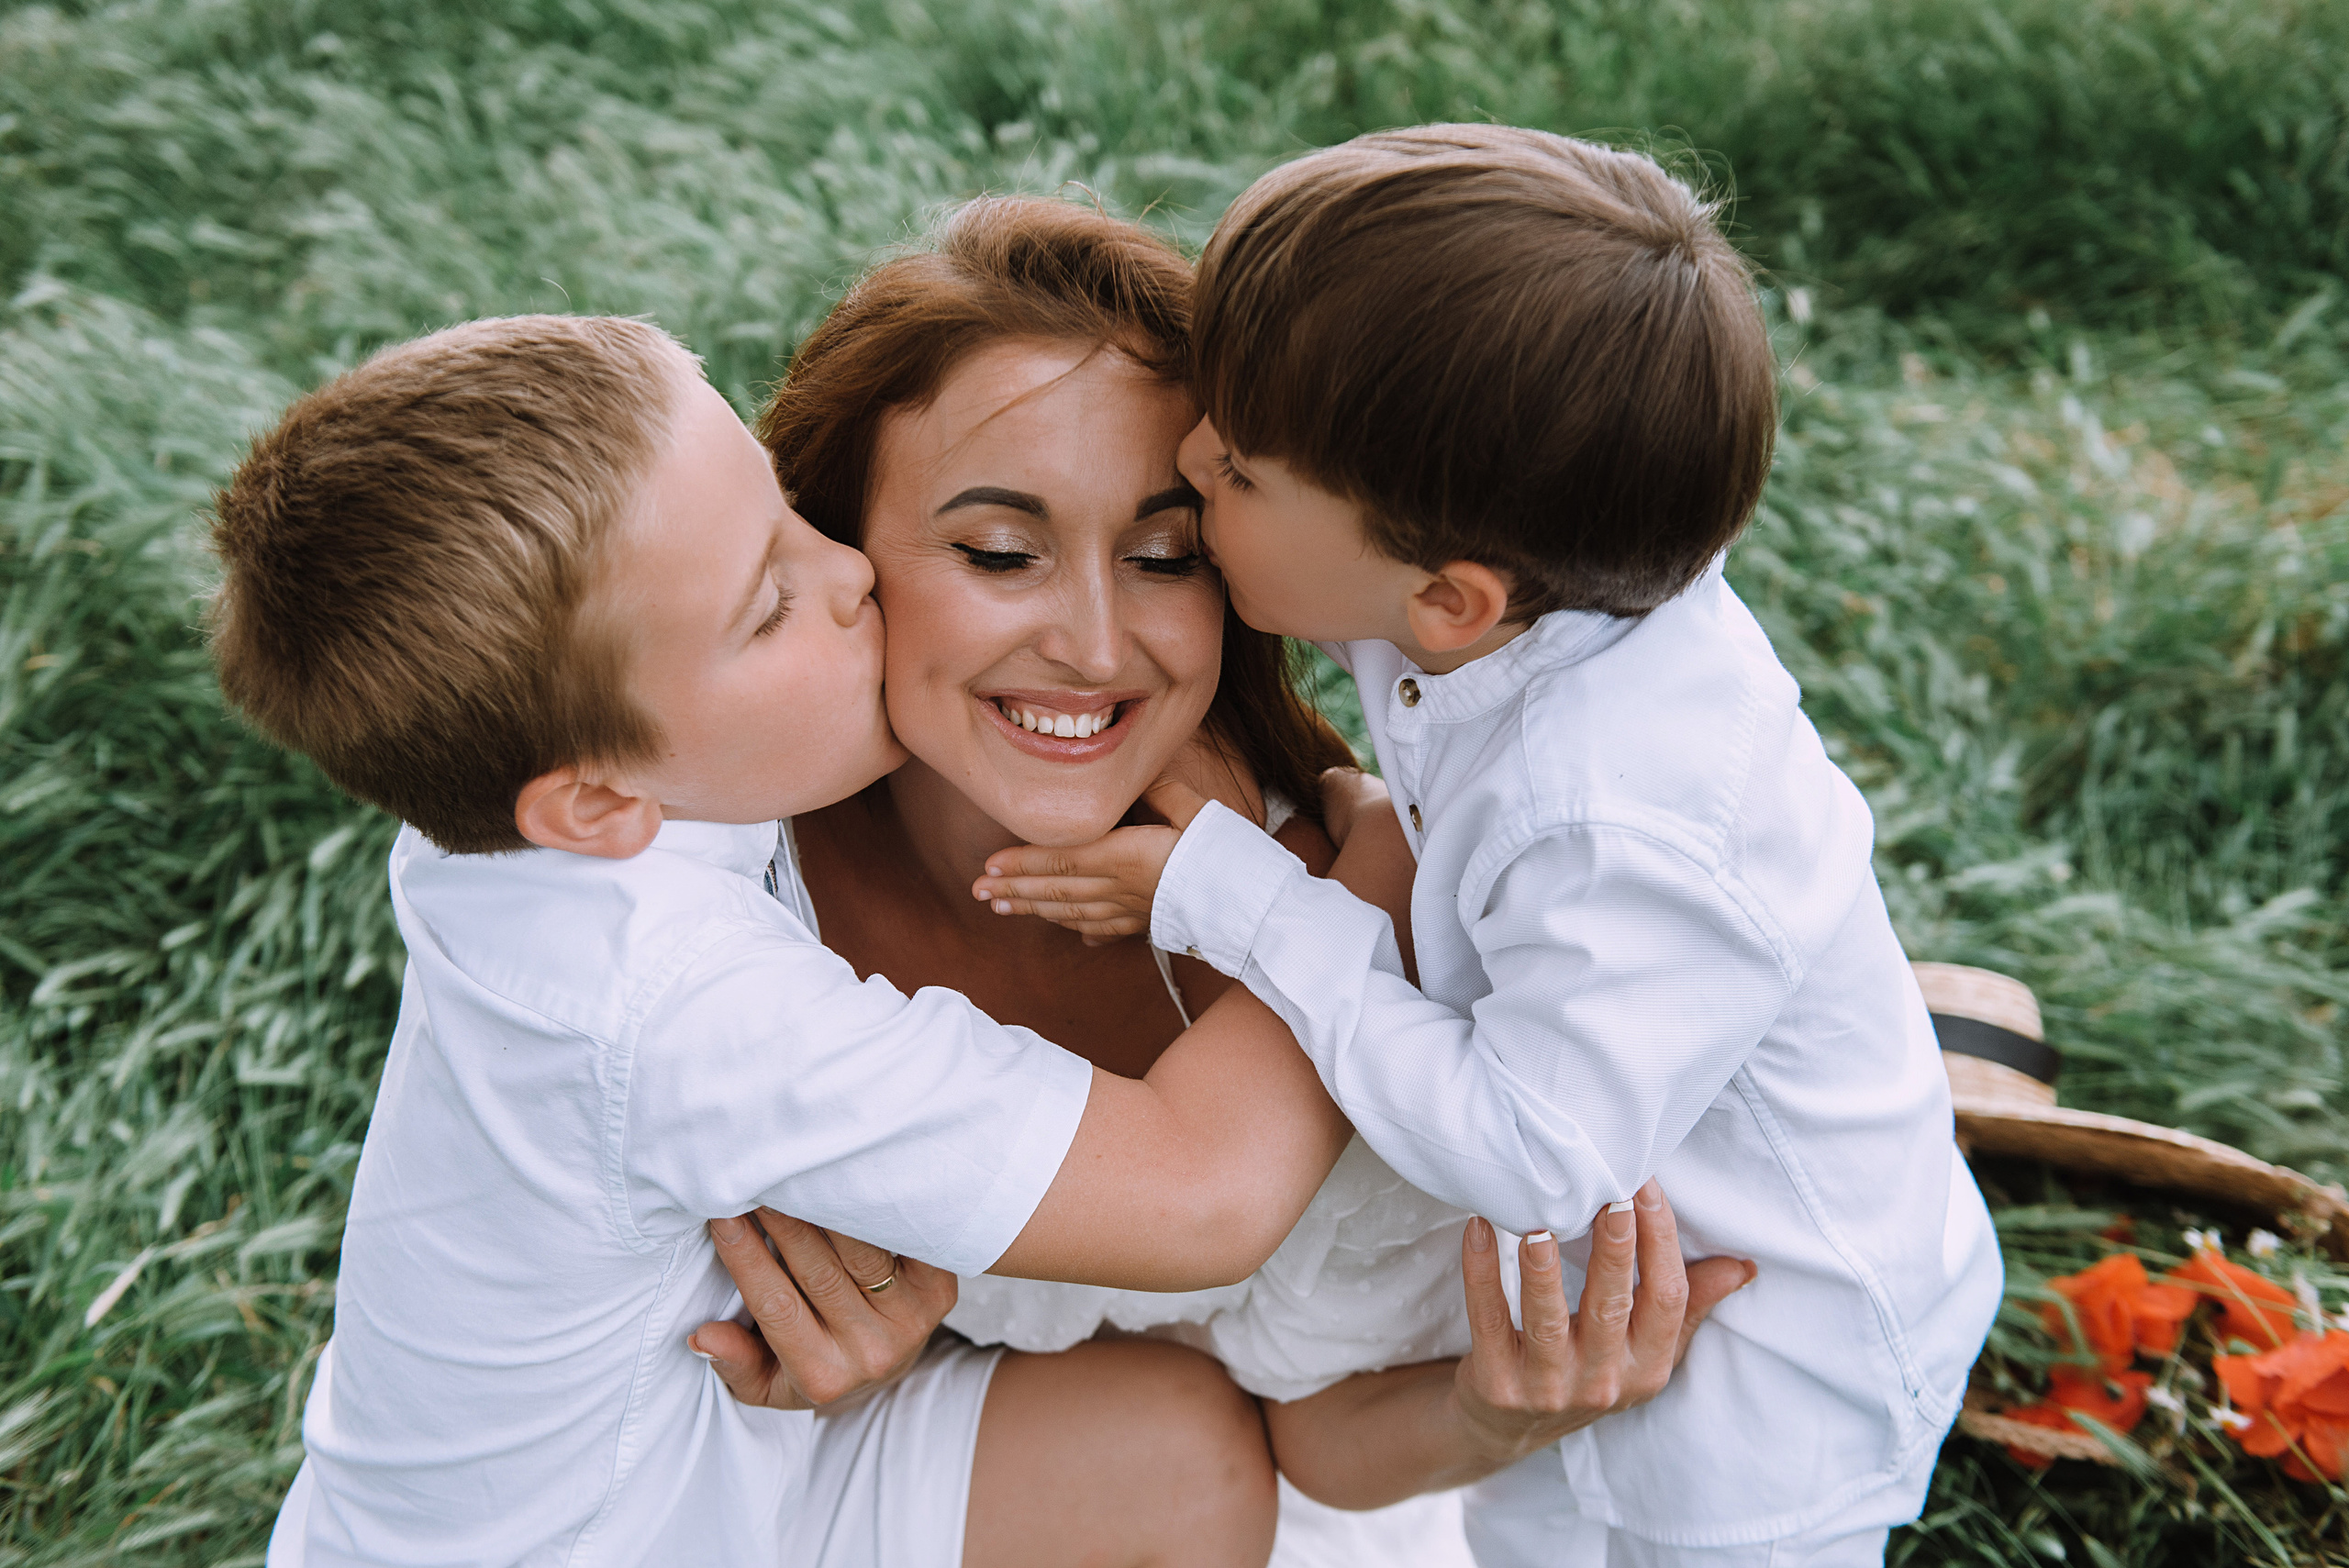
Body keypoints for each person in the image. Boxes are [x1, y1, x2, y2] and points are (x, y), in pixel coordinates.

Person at [974, 127, 2007, 1566]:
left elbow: (1535, 1152)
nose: (1196, 452)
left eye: (1243, 469)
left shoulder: (1611, 810)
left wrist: (1245, 896)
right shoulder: (1535, 564)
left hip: (1756, 1364)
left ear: (1452, 599)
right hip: (1578, 1294)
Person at [697, 194, 1749, 1566]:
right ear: (834, 549)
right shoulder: (726, 869)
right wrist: (865, 1372)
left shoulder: (1327, 896)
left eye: (1167, 553)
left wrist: (1493, 1411)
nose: (1091, 643)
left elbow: (1298, 1426)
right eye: (1000, 551)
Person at [211, 312, 1353, 1568]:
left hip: (725, 1464)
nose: (850, 574)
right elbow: (1206, 1191)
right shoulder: (673, 996)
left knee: (1167, 1460)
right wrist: (1387, 859)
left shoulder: (517, 812)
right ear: (596, 799)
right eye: (768, 606)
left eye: (790, 516)